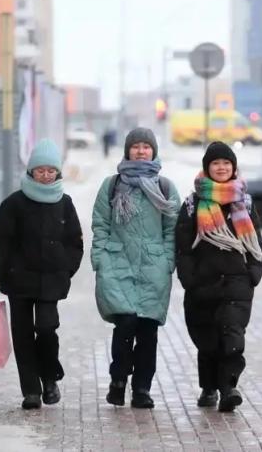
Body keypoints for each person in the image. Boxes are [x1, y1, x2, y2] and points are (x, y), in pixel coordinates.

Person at [0, 139, 84, 410]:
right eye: (40, 170)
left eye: (50, 170)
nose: (45, 175)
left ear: (57, 173)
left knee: (46, 328)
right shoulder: (14, 204)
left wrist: (66, 269)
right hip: (19, 280)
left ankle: (50, 377)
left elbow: (75, 242)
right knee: (23, 335)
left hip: (51, 281)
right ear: (30, 171)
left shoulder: (65, 204)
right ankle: (30, 390)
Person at [91, 127, 180, 409]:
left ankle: (142, 388)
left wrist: (167, 259)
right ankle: (118, 380)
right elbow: (100, 224)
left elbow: (172, 228)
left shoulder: (164, 186)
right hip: (117, 263)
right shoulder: (112, 184)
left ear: (154, 150)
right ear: (127, 150)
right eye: (136, 146)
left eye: (146, 146)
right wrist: (100, 258)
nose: (141, 151)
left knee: (147, 330)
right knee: (125, 324)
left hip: (153, 266)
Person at [175, 142, 262, 412]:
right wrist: (190, 279)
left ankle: (229, 388)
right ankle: (209, 387)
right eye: (216, 163)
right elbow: (182, 244)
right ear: (207, 168)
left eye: (226, 163)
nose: (222, 167)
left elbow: (255, 240)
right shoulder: (193, 204)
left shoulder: (245, 202)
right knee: (209, 339)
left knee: (232, 336)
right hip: (204, 282)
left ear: (234, 167)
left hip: (238, 282)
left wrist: (253, 273)